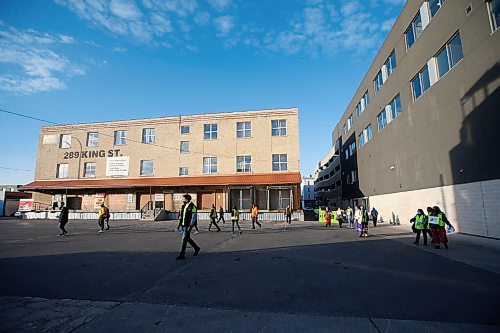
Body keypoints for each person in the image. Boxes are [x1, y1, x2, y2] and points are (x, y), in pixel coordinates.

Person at [176, 194, 201, 260]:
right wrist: (179, 224)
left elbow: (194, 217)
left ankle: (182, 254)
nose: (182, 200)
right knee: (187, 238)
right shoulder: (184, 206)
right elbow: (182, 216)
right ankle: (196, 248)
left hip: (188, 225)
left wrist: (191, 225)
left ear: (187, 199)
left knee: (184, 239)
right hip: (183, 225)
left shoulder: (192, 207)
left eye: (183, 199)